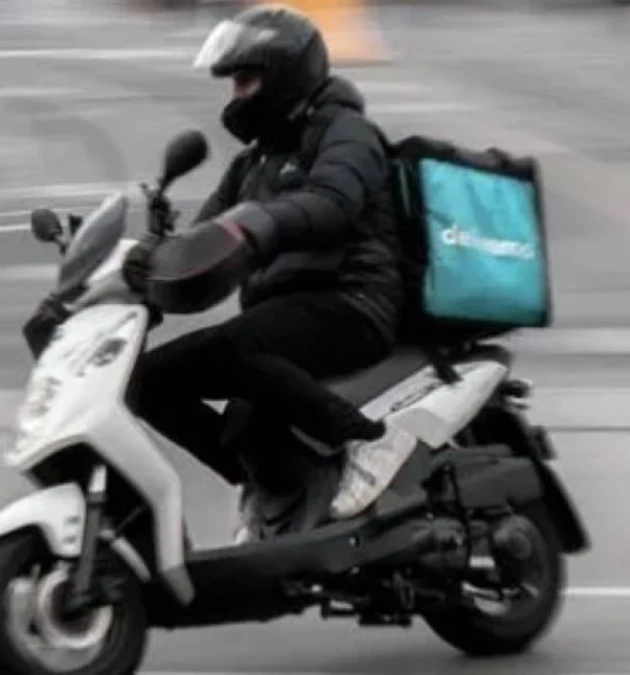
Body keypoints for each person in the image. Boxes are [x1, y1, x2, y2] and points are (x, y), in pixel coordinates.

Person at [125, 4, 418, 543]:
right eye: (233, 83)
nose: (236, 96)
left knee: (231, 349)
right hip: (285, 314)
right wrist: (148, 265)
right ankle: (268, 484)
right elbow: (205, 242)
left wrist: (262, 222)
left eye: (246, 80)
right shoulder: (253, 163)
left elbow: (333, 201)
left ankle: (366, 439)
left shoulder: (346, 132)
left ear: (285, 74)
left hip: (351, 302)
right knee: (146, 381)